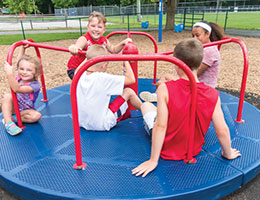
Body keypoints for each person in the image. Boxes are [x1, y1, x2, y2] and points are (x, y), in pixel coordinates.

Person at [132, 38, 241, 178]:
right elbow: (222, 130)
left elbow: (160, 126)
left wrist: (153, 160)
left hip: (166, 148)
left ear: (176, 63)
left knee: (146, 106)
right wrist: (228, 153)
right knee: (162, 109)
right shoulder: (212, 94)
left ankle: (144, 104)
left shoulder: (165, 88)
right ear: (200, 62)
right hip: (193, 148)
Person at [140, 21, 224, 102]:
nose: (195, 38)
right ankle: (158, 95)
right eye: (193, 35)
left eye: (197, 35)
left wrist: (179, 66)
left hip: (201, 88)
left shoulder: (210, 51)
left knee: (162, 84)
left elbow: (193, 73)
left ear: (207, 34)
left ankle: (162, 96)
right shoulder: (204, 48)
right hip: (196, 84)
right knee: (165, 77)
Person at [76, 44, 142, 131]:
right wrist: (125, 59)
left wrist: (89, 55)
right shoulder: (103, 78)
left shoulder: (79, 74)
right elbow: (131, 79)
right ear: (104, 65)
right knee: (128, 91)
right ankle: (148, 111)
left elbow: (84, 63)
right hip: (102, 124)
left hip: (82, 122)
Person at [67, 11, 132, 80]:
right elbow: (78, 46)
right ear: (88, 27)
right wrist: (74, 47)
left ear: (104, 30)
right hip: (76, 68)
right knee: (91, 81)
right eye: (93, 26)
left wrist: (123, 43)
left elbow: (113, 50)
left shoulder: (104, 40)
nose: (96, 29)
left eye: (99, 27)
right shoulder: (85, 39)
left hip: (90, 69)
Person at [1, 45, 42, 136]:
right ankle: (8, 123)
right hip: (14, 107)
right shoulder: (20, 77)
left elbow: (17, 89)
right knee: (7, 96)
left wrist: (9, 74)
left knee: (36, 116)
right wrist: (23, 48)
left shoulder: (35, 85)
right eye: (21, 69)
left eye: (29, 70)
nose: (24, 72)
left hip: (25, 110)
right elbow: (20, 61)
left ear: (36, 72)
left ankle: (12, 119)